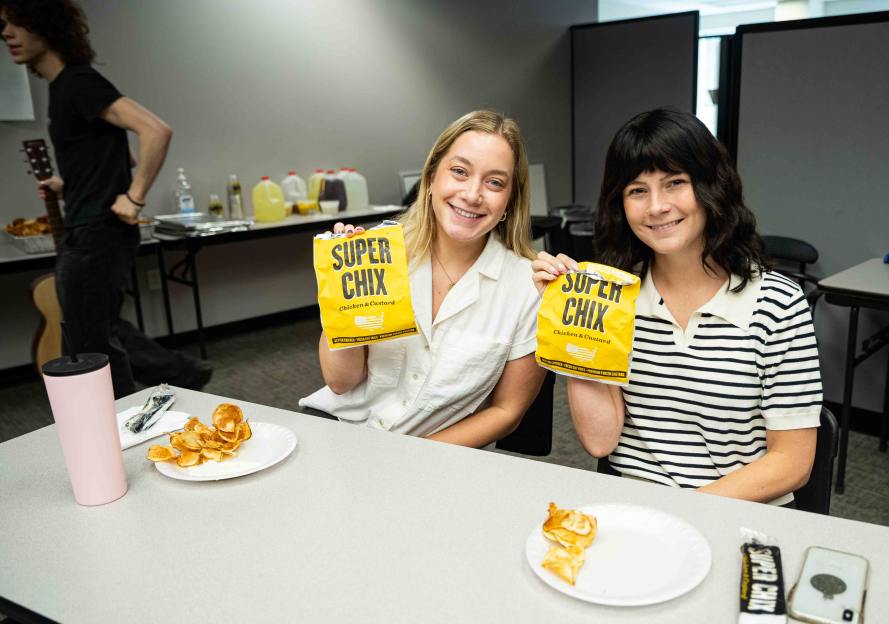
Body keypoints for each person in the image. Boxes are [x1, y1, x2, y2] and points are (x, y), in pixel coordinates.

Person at [533, 108, 821, 506]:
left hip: (735, 512)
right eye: (637, 190)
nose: (656, 206)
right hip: (634, 510)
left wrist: (681, 513)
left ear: (710, 187)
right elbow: (600, 442)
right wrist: (574, 331)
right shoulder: (617, 298)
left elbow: (792, 462)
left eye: (674, 183)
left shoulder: (778, 303)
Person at [1, 0, 210, 398]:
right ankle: (181, 375)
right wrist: (71, 182)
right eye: (4, 25)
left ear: (47, 25)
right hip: (89, 225)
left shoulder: (79, 82)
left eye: (17, 23)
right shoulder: (63, 88)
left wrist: (135, 197)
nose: (7, 33)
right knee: (98, 330)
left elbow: (155, 131)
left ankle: (116, 424)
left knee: (88, 346)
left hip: (96, 232)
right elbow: (124, 153)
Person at [301, 110, 546, 447]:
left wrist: (414, 456)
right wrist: (343, 299)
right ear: (431, 178)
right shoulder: (379, 254)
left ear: (508, 201)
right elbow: (341, 382)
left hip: (433, 456)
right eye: (459, 172)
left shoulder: (527, 287)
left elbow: (507, 412)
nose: (473, 194)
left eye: (494, 182)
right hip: (338, 432)